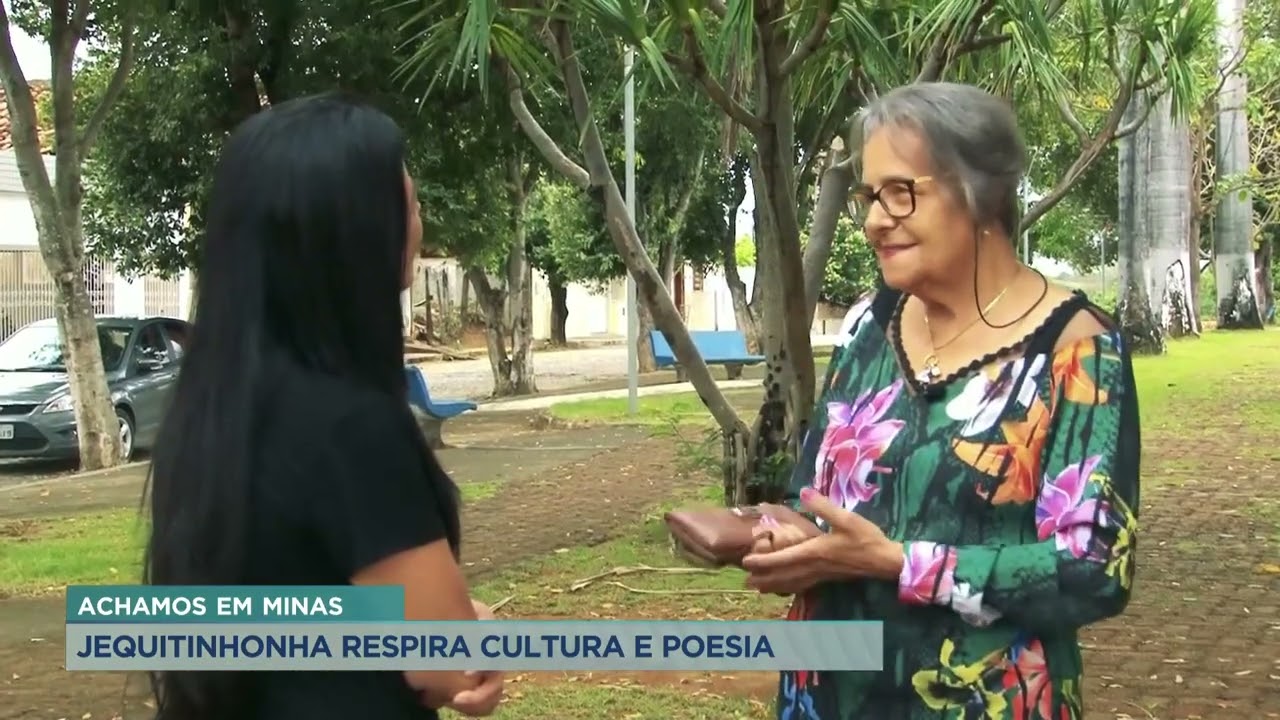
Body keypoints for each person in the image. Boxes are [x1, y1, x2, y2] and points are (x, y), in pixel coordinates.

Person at [741, 82, 1140, 719]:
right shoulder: (869, 323)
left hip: (982, 700)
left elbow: (1092, 569)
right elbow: (811, 496)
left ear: (978, 192)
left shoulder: (1077, 348)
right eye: (869, 197)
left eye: (900, 193)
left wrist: (899, 563)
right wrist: (782, 535)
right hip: (829, 691)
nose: (874, 219)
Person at [142, 94, 503, 720]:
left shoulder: (214, 411)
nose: (420, 227)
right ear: (358, 232)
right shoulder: (352, 428)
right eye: (410, 207)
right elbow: (447, 665)